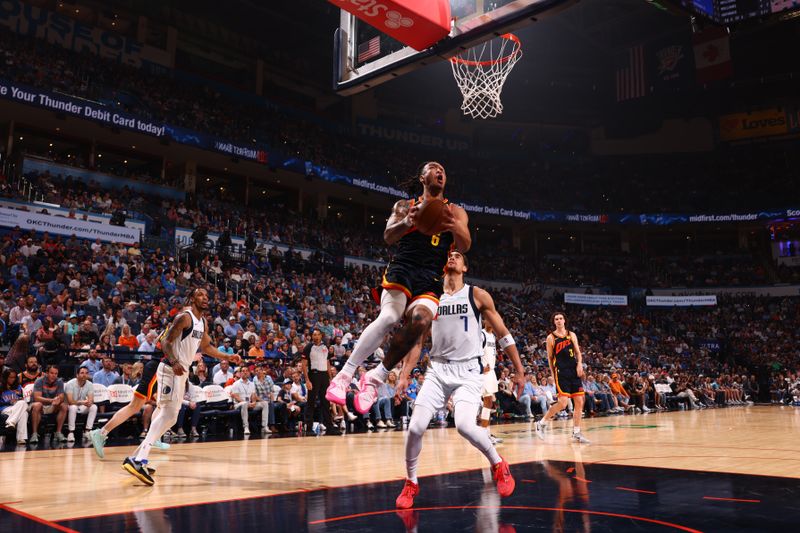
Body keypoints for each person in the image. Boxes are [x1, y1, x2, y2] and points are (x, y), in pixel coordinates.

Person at [327, 162, 471, 413]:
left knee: (421, 322)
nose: (440, 172)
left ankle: (375, 377)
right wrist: (408, 221)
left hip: (430, 276)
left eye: (443, 171)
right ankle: (345, 374)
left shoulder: (455, 211)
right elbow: (388, 236)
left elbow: (465, 244)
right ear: (423, 177)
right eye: (434, 168)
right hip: (404, 267)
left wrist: (454, 226)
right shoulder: (405, 205)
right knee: (390, 317)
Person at [395, 251, 524, 509]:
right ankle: (411, 482)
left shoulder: (477, 295)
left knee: (465, 425)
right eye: (449, 255)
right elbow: (418, 341)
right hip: (438, 370)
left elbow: (503, 333)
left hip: (468, 372)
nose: (452, 257)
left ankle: (498, 463)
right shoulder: (431, 298)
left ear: (464, 266)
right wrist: (404, 374)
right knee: (415, 428)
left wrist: (519, 370)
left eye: (457, 256)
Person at [90, 289, 239, 483]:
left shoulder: (203, 323)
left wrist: (228, 356)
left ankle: (137, 457)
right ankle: (138, 458)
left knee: (168, 416)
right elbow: (165, 341)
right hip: (169, 367)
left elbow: (207, 348)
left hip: (182, 370)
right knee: (167, 414)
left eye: (207, 295)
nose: (205, 298)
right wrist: (175, 361)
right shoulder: (184, 318)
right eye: (200, 294)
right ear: (192, 298)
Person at [535, 312, 590, 444]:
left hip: (573, 371)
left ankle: (576, 432)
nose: (559, 321)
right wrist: (553, 374)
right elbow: (549, 358)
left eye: (561, 318)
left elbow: (578, 352)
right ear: (554, 322)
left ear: (564, 321)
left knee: (579, 402)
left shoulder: (571, 335)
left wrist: (579, 364)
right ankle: (541, 423)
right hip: (561, 372)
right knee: (563, 403)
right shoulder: (551, 338)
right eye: (556, 319)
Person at [302, 328, 340, 435]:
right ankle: (308, 428)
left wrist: (330, 377)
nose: (316, 336)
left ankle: (329, 427)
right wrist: (307, 380)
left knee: (325, 402)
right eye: (314, 335)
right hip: (313, 375)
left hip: (324, 376)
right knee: (311, 402)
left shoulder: (325, 347)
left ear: (321, 336)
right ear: (312, 336)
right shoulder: (309, 347)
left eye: (318, 334)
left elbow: (327, 362)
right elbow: (304, 364)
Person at [30, 365, 69, 444]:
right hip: (38, 405)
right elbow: (37, 398)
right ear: (47, 373)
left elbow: (61, 396)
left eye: (56, 373)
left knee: (64, 406)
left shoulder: (59, 381)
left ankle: (58, 433)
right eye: (51, 373)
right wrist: (51, 400)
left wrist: (58, 400)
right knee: (38, 405)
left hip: (52, 405)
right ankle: (34, 434)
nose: (54, 375)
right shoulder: (39, 381)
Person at [64, 366, 98, 442]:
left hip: (82, 406)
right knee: (73, 407)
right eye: (82, 373)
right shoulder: (70, 384)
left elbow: (91, 399)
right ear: (77, 375)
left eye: (86, 373)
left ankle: (87, 431)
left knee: (94, 407)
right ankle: (71, 432)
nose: (84, 375)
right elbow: (70, 401)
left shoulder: (90, 384)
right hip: (70, 406)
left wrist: (89, 402)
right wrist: (82, 402)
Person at [479, 321, 500, 442]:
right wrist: (480, 367)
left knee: (489, 402)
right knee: (486, 401)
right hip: (484, 372)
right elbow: (474, 353)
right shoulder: (481, 334)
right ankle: (483, 433)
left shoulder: (492, 336)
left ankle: (485, 432)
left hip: (491, 371)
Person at [1, 368, 29, 445]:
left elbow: (22, 399)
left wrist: (17, 400)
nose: (12, 379)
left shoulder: (18, 387)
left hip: (16, 408)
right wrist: (9, 402)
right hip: (5, 408)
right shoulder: (1, 387)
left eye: (14, 377)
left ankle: (20, 438)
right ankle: (20, 436)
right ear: (6, 377)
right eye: (10, 377)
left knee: (24, 410)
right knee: (23, 408)